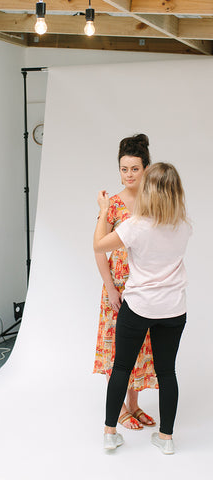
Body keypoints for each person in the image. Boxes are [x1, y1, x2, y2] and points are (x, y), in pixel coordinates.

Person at [94, 162, 191, 454]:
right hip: (173, 310)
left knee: (121, 367)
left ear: (149, 190)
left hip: (139, 307)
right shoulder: (183, 225)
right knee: (167, 373)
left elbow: (99, 245)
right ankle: (166, 438)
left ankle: (110, 433)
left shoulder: (135, 226)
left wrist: (103, 208)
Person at [93, 134, 157, 430]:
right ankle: (119, 408)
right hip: (118, 290)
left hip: (144, 289)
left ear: (146, 168)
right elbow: (98, 248)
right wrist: (110, 287)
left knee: (140, 348)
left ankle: (134, 405)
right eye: (123, 168)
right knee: (116, 350)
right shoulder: (113, 204)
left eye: (134, 168)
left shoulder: (153, 202)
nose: (128, 174)